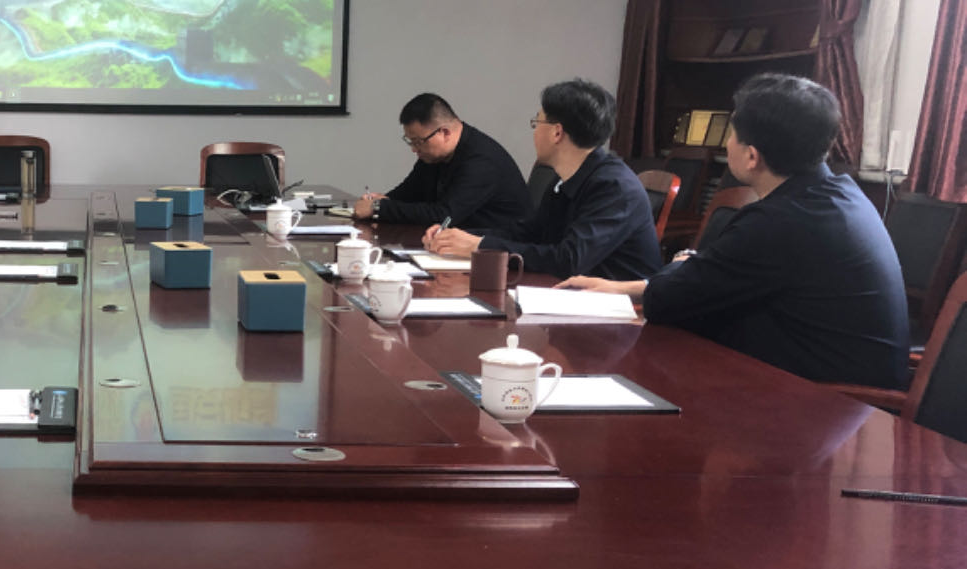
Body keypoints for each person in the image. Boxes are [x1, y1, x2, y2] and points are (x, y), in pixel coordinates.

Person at [560, 74, 909, 389]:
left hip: (825, 402)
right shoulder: (838, 195)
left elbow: (669, 302)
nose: (727, 144)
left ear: (752, 156)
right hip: (820, 383)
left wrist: (682, 266)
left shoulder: (781, 220)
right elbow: (702, 282)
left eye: (731, 135)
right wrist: (627, 288)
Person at [426, 79, 661, 281]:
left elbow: (569, 260)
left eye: (537, 123)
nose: (534, 131)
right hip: (572, 294)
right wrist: (460, 236)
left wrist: (480, 246)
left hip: (622, 308)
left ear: (557, 132)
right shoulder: (566, 176)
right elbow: (530, 232)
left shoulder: (614, 188)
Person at [353, 92, 529, 228]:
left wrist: (380, 208)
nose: (414, 148)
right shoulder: (434, 156)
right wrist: (384, 199)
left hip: (498, 250)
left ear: (444, 133)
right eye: (410, 141)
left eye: (418, 142)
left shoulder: (481, 161)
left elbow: (444, 216)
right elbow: (410, 191)